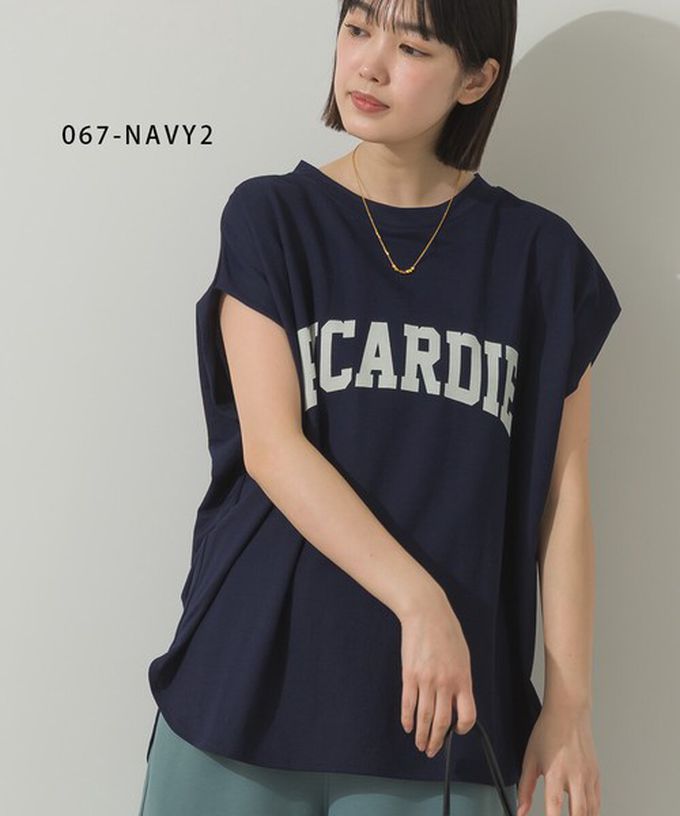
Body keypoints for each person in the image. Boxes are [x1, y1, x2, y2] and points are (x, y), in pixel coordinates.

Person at [138, 1, 622, 815]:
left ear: (477, 79)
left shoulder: (542, 262)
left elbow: (562, 497)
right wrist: (419, 600)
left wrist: (570, 704)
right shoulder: (271, 219)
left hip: (441, 723)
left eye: (413, 46)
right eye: (358, 29)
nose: (369, 63)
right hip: (241, 689)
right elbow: (272, 448)